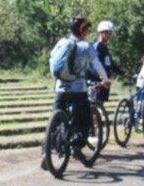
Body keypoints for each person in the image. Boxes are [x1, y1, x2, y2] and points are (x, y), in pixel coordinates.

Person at [47, 16, 110, 167]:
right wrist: (105, 79)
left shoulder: (62, 42)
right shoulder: (87, 46)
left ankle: (46, 152)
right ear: (81, 30)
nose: (88, 32)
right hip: (78, 89)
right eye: (87, 29)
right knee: (84, 119)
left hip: (60, 87)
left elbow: (51, 59)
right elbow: (97, 64)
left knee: (55, 119)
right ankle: (76, 146)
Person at [90, 20, 123, 104]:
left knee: (100, 104)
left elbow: (110, 63)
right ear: (101, 33)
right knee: (96, 104)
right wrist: (100, 78)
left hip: (105, 80)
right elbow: (94, 64)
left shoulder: (104, 47)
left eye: (110, 33)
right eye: (108, 33)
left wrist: (122, 73)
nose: (110, 36)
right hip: (99, 81)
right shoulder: (98, 47)